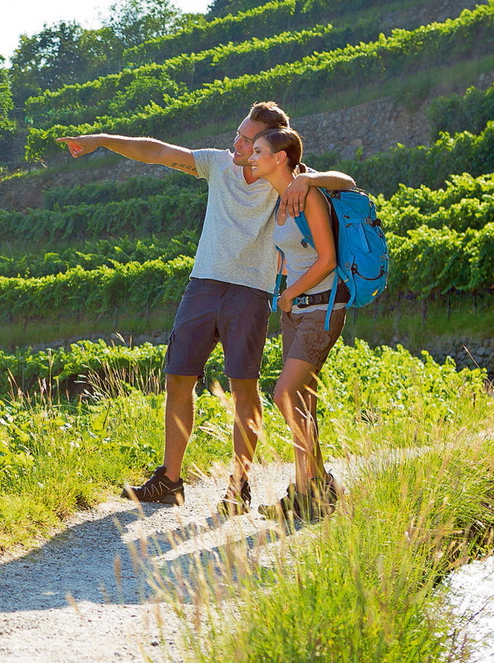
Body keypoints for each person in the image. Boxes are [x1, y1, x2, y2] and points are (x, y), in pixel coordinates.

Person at [57, 102, 356, 514]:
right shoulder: (219, 165)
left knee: (243, 389)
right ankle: (170, 480)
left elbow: (345, 181)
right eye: (238, 135)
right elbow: (157, 150)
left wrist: (309, 181)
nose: (238, 144)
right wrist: (101, 141)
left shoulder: (283, 175)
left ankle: (239, 486)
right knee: (178, 377)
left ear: (268, 146)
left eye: (248, 140)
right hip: (202, 286)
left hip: (250, 293)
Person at [247, 127, 344, 519]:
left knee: (284, 394)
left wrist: (287, 294)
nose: (252, 156)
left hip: (321, 309)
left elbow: (327, 260)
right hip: (295, 312)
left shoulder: (309, 195)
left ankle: (315, 484)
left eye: (258, 150)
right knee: (303, 403)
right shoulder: (278, 200)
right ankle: (309, 494)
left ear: (280, 157)